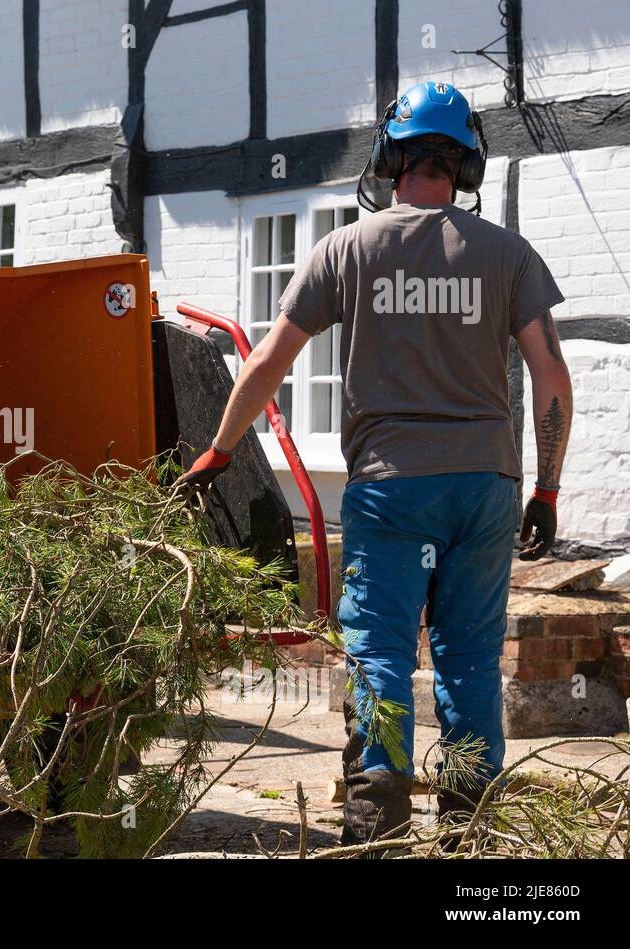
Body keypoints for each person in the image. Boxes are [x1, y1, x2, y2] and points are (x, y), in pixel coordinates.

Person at [178, 80, 573, 844]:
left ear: (390, 155)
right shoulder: (509, 254)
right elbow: (553, 379)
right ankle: (468, 833)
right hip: (487, 487)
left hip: (392, 490)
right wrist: (548, 488)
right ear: (464, 165)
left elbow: (265, 362)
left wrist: (220, 450)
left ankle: (376, 820)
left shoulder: (346, 250)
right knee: (468, 659)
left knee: (382, 651)